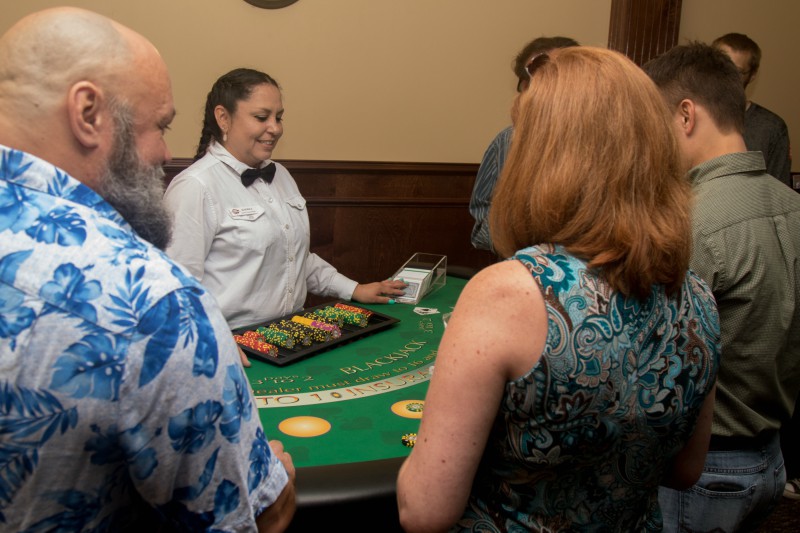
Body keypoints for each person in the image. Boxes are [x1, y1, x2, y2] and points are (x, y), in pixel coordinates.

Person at [397, 47, 720, 532]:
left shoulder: (509, 291)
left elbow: (425, 512)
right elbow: (684, 471)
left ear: (539, 154)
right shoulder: (698, 297)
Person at [0, 8, 295, 532]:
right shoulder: (152, 303)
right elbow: (255, 520)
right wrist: (279, 486)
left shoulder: (282, 181)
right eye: (159, 126)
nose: (165, 151)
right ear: (88, 113)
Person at [645, 42, 800, 532]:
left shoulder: (690, 221)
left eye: (655, 123)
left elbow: (655, 364)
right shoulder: (790, 204)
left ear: (686, 114)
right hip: (773, 461)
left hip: (702, 473)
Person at [163, 68, 406, 336]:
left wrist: (353, 289)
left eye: (278, 118)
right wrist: (214, 343)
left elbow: (294, 256)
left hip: (292, 335)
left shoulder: (281, 175)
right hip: (232, 344)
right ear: (223, 117)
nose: (275, 128)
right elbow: (176, 291)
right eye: (261, 117)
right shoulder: (194, 187)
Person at [468, 36, 579, 252]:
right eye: (539, 78)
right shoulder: (506, 143)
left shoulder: (612, 143)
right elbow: (481, 228)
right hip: (525, 272)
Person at [712, 32, 793, 188]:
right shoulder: (687, 115)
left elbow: (778, 193)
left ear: (752, 75)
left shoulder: (771, 128)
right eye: (721, 65)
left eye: (736, 71)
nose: (726, 75)